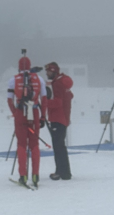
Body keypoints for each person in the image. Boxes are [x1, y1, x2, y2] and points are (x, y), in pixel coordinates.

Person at [7, 55, 45, 187]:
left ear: (19, 67)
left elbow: (9, 100)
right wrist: (43, 116)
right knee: (34, 144)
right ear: (30, 66)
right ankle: (35, 175)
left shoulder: (13, 80)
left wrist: (15, 113)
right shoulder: (39, 79)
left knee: (21, 144)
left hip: (20, 113)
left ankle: (22, 175)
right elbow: (43, 99)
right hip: (34, 112)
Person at [42, 62, 73, 181]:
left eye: (48, 71)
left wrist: (44, 103)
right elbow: (70, 96)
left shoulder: (57, 84)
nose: (47, 73)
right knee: (61, 146)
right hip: (63, 118)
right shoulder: (63, 83)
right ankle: (64, 172)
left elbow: (58, 102)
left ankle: (61, 172)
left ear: (53, 71)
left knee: (58, 146)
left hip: (57, 118)